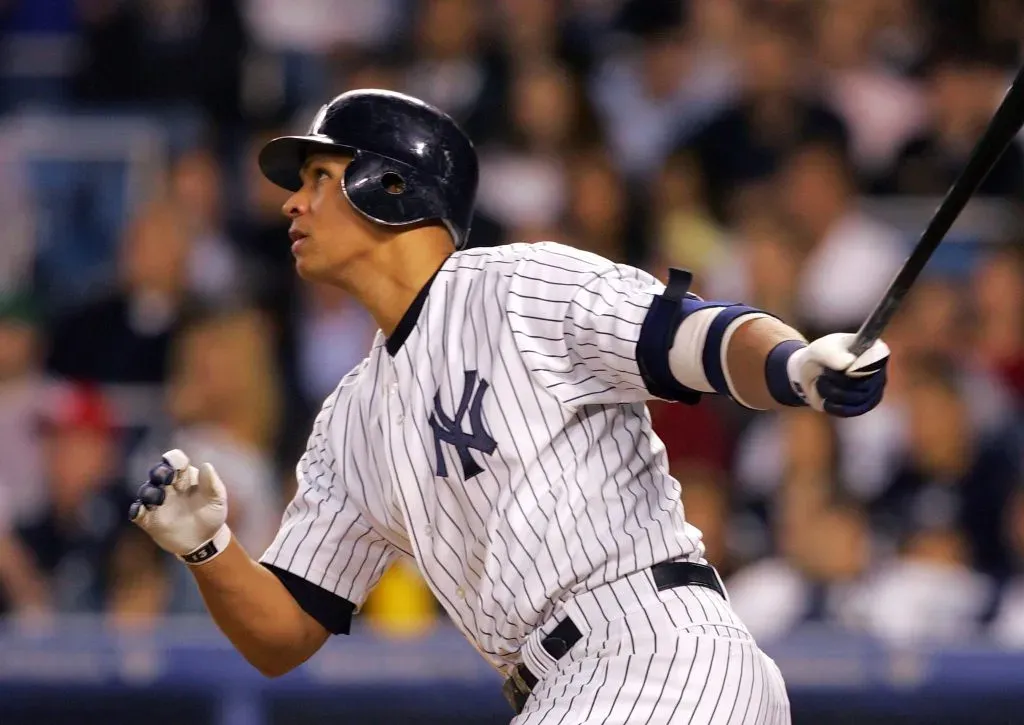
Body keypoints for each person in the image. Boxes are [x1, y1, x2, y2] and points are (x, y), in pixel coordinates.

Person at [128, 89, 890, 724]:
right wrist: (209, 548)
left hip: (653, 653)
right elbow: (285, 631)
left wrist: (794, 363)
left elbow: (690, 334)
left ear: (390, 188)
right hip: (573, 685)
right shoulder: (350, 418)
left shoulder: (519, 285)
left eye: (320, 175)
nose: (292, 201)